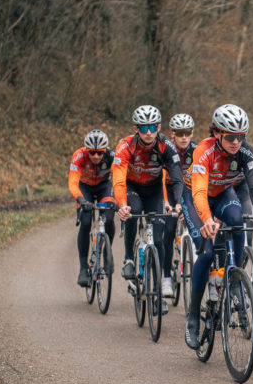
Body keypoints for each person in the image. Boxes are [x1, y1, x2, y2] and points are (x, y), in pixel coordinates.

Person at [181, 104, 253, 350]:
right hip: (195, 198)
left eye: (241, 136)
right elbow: (199, 192)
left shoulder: (246, 151)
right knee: (207, 252)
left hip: (223, 194)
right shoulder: (204, 151)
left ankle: (234, 277)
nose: (236, 142)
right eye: (231, 137)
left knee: (237, 221)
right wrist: (206, 219)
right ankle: (194, 316)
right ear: (217, 133)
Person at [112, 105, 184, 303]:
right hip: (132, 187)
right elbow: (118, 179)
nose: (149, 132)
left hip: (154, 191)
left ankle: (158, 292)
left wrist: (178, 203)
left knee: (158, 240)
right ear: (136, 129)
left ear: (159, 127)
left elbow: (177, 177)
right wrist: (122, 204)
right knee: (133, 211)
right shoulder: (125, 146)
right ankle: (128, 258)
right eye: (144, 128)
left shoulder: (165, 145)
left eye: (153, 127)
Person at [68, 129, 116, 288]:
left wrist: (118, 199)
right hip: (85, 188)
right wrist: (80, 199)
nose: (96, 156)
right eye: (92, 152)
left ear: (105, 150)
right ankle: (83, 268)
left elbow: (119, 178)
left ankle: (107, 253)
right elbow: (73, 182)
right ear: (86, 150)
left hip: (104, 187)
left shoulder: (112, 156)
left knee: (109, 219)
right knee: (86, 222)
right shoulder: (79, 156)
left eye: (100, 152)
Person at [161, 113, 197, 297]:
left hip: (189, 190)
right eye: (179, 133)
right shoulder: (165, 150)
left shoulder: (197, 151)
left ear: (192, 133)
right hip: (169, 189)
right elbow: (160, 179)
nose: (183, 137)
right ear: (172, 134)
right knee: (168, 229)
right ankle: (166, 278)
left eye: (187, 133)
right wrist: (167, 203)